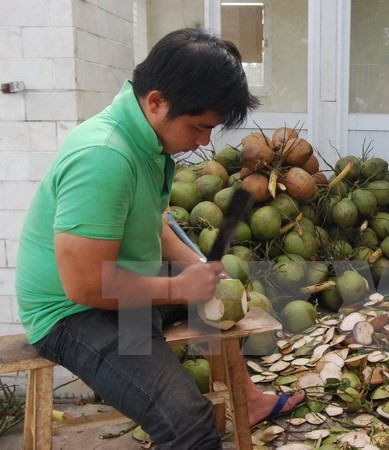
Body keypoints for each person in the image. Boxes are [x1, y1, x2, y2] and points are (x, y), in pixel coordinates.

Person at [15, 28, 304, 449]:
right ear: (156, 101)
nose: (205, 141)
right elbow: (84, 284)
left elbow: (155, 222)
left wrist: (194, 268)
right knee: (189, 424)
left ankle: (251, 400)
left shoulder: (147, 143)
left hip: (122, 284)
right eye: (199, 126)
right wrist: (174, 286)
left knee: (214, 294)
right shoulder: (105, 156)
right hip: (73, 312)